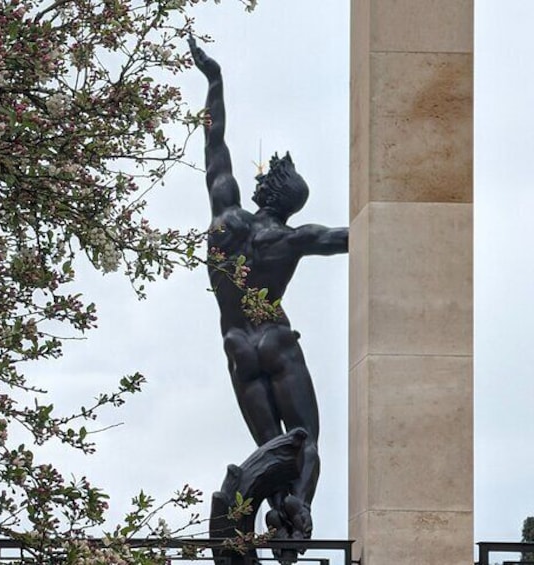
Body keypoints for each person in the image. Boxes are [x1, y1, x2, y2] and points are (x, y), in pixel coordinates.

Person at [188, 37, 348, 543]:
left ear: (262, 191)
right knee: (306, 441)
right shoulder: (296, 238)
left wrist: (214, 82)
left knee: (269, 447)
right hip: (275, 340)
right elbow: (355, 236)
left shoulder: (226, 219)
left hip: (238, 347)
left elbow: (215, 149)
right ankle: (296, 505)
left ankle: (279, 515)